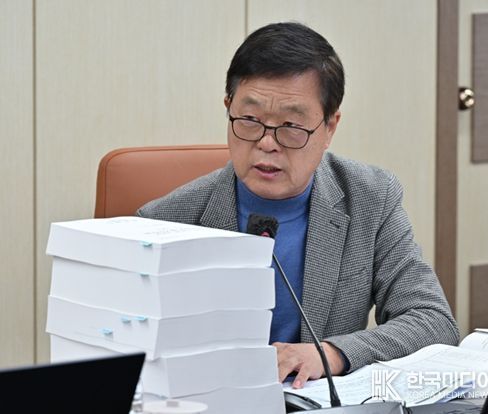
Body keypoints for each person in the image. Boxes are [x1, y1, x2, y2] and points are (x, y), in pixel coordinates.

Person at [137, 22, 459, 389]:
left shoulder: (370, 198)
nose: (267, 143)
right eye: (250, 120)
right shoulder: (166, 222)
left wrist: (332, 354)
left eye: (291, 125)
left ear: (329, 127)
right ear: (228, 109)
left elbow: (433, 321)